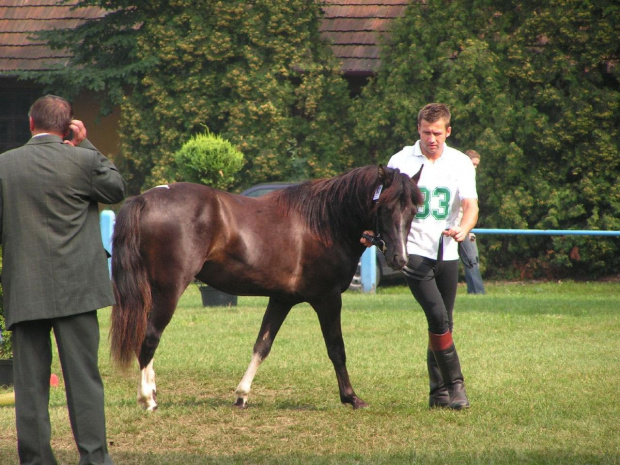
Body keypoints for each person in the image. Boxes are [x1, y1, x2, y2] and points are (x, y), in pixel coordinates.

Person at [0, 95, 126, 464]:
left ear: (30, 123)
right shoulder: (84, 160)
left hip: (26, 289)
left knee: (30, 386)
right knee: (84, 381)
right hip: (79, 291)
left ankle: (37, 460)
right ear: (68, 126)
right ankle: (94, 458)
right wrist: (86, 143)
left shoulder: (4, 166)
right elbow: (116, 189)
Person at [362, 103, 478, 410]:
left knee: (443, 323)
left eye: (437, 133)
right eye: (426, 132)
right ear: (418, 130)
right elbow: (380, 204)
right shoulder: (400, 161)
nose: (432, 138)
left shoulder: (461, 163)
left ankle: (437, 394)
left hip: (447, 250)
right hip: (412, 250)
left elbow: (471, 206)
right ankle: (456, 387)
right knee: (438, 316)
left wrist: (464, 229)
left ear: (448, 131)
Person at [458, 150, 486, 294]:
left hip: (464, 226)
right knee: (471, 259)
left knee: (472, 259)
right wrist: (466, 229)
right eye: (473, 164)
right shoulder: (459, 177)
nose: (475, 168)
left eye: (476, 165)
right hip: (459, 226)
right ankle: (477, 292)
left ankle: (476, 291)